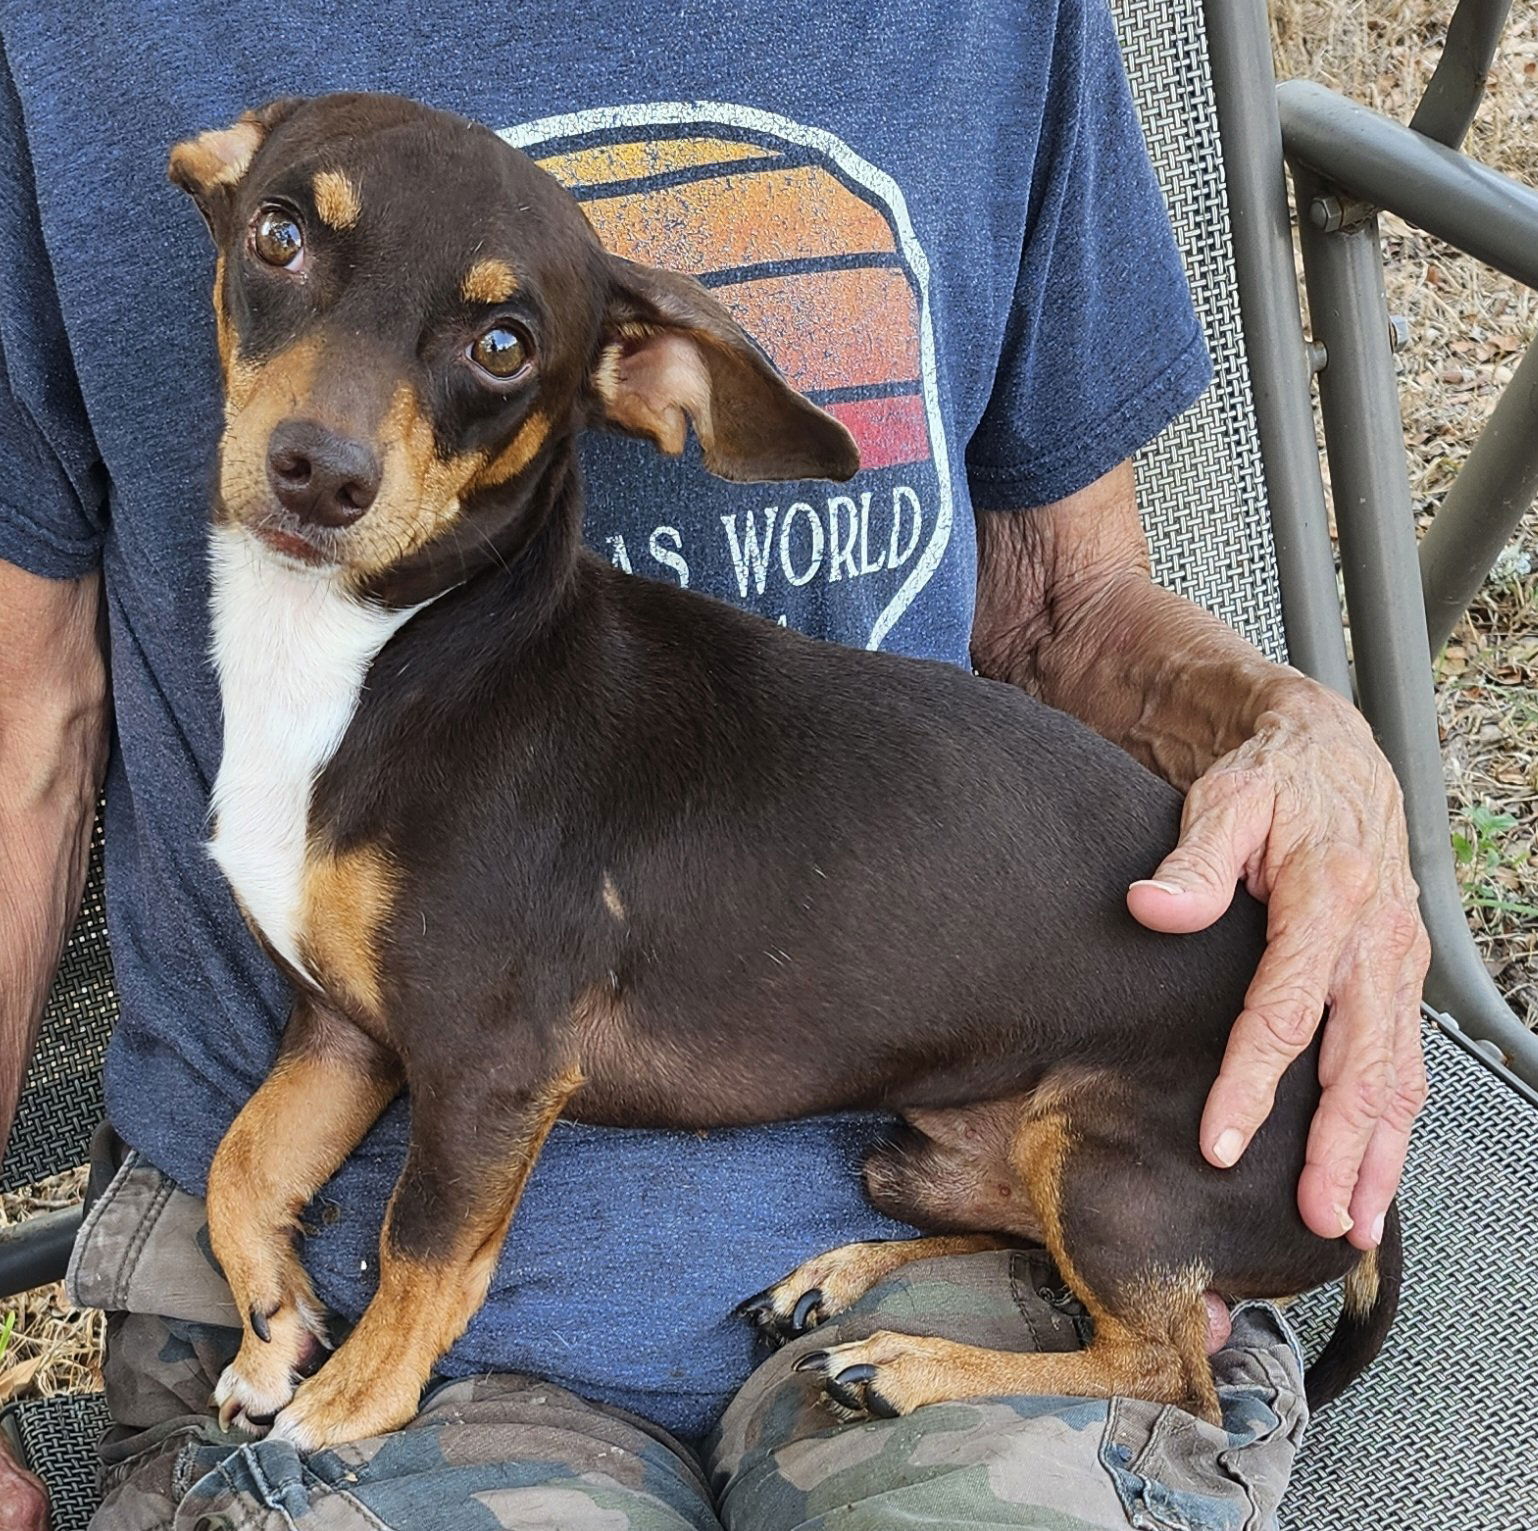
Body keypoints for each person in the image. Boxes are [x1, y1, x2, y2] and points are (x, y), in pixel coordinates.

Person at [0, 2, 1428, 1526]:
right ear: (218, 191)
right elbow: (22, 720)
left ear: (641, 380)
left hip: (1001, 1220)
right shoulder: (88, 34)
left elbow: (1066, 606)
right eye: (290, 249)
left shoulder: (996, 26)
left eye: (493, 340)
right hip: (349, 1293)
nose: (331, 442)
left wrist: (1320, 751)